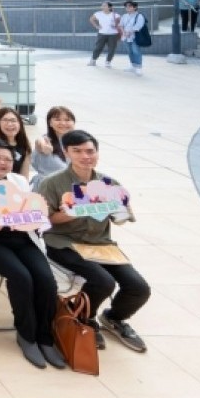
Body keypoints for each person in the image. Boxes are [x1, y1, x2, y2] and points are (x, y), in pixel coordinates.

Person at [39, 130, 150, 352]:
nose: (85, 156)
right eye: (77, 151)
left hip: (101, 245)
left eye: (90, 151)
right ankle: (84, 317)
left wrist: (122, 210)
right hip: (64, 242)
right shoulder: (52, 184)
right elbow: (44, 222)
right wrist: (70, 213)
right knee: (103, 281)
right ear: (66, 153)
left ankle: (114, 317)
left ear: (97, 153)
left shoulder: (109, 184)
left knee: (139, 287)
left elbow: (120, 220)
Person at [0, 139, 64, 370]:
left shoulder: (19, 181)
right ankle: (27, 336)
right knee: (21, 277)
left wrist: (38, 218)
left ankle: (45, 338)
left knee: (46, 280)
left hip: (23, 238)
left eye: (8, 159)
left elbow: (30, 212)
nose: (3, 163)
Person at [31, 105, 75, 180]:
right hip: (47, 187)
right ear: (50, 123)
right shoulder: (46, 141)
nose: (63, 123)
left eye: (67, 120)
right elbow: (40, 142)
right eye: (58, 120)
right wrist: (42, 146)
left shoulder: (76, 143)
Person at [87, 1, 120, 67]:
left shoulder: (116, 15)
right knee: (98, 47)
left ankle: (108, 62)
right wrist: (96, 26)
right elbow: (91, 19)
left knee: (112, 48)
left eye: (105, 6)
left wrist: (115, 25)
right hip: (102, 33)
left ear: (109, 7)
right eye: (102, 5)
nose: (102, 7)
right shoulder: (98, 13)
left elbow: (119, 24)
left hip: (113, 34)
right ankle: (93, 60)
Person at [119, 0, 146, 76]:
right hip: (125, 37)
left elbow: (138, 26)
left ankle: (139, 68)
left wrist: (129, 32)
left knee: (136, 51)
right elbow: (120, 25)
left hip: (134, 36)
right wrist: (124, 32)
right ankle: (132, 66)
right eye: (126, 6)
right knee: (130, 51)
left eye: (129, 6)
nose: (127, 8)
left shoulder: (139, 16)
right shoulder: (124, 16)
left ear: (135, 7)